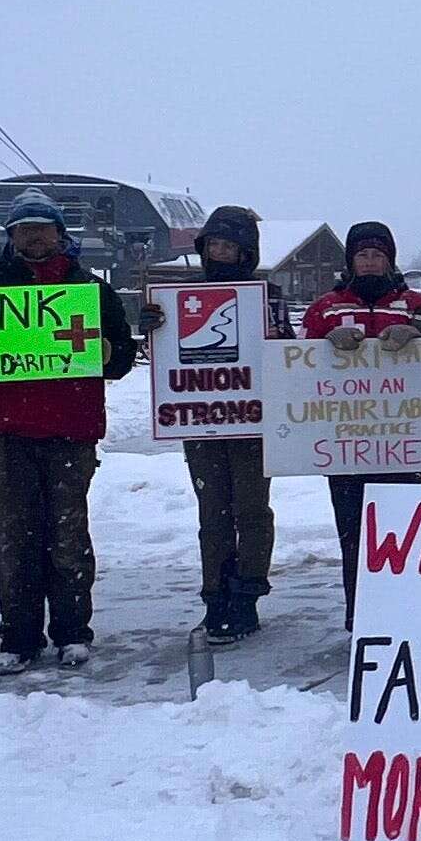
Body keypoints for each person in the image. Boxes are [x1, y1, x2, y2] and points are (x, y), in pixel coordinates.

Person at [0, 190, 140, 673]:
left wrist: (110, 352)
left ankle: (71, 631)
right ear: (11, 238)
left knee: (67, 536)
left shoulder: (91, 291)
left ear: (60, 235)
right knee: (13, 539)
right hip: (4, 431)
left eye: (42, 227)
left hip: (70, 428)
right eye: (24, 229)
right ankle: (18, 637)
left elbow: (122, 359)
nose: (34, 236)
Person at [300, 219, 421, 623]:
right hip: (345, 443)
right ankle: (361, 616)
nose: (368, 262)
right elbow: (296, 368)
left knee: (403, 533)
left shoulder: (420, 306)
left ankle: (406, 614)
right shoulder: (325, 307)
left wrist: (419, 340)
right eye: (362, 254)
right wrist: (322, 346)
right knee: (354, 536)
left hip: (405, 442)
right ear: (350, 260)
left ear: (389, 259)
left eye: (377, 255)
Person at [173, 202, 292, 640]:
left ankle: (247, 596)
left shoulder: (268, 296)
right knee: (213, 512)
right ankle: (215, 596)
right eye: (215, 244)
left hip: (253, 422)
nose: (221, 252)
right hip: (201, 421)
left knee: (252, 509)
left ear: (246, 252)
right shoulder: (179, 297)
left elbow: (288, 357)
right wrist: (155, 325)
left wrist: (276, 338)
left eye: (230, 245)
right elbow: (167, 356)